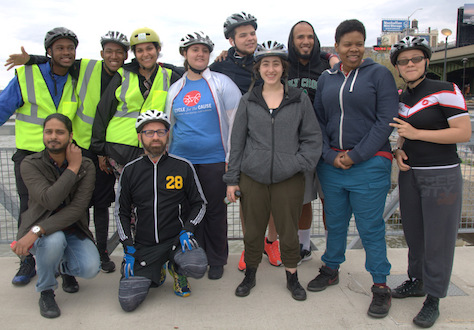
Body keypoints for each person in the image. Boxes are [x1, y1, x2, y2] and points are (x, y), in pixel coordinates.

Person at [6, 31, 131, 273]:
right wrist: (30, 59)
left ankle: (101, 252)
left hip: (103, 149)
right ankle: (37, 260)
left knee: (102, 203)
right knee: (67, 203)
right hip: (78, 148)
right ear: (101, 53)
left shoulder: (129, 74)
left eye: (119, 52)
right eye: (109, 51)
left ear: (126, 56)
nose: (113, 56)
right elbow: (59, 59)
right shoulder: (85, 67)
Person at [311, 19, 398, 318]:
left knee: (370, 227)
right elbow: (318, 121)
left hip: (370, 164)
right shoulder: (326, 79)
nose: (354, 49)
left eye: (359, 43)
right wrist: (327, 154)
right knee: (334, 223)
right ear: (336, 46)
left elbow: (385, 120)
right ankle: (331, 267)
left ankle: (380, 285)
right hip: (332, 165)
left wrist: (357, 155)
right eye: (347, 44)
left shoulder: (380, 75)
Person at [223, 41, 321, 301]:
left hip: (289, 177)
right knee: (253, 230)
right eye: (265, 63)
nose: (271, 68)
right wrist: (232, 179)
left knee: (288, 230)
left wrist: (297, 164)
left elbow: (312, 138)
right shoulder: (248, 100)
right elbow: (238, 143)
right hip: (252, 176)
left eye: (276, 63)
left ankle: (292, 276)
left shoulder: (298, 99)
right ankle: (251, 274)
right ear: (258, 68)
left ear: (283, 67)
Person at [389, 36, 471, 328]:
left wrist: (416, 134)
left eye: (415, 59)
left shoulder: (446, 89)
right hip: (411, 174)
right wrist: (399, 149)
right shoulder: (403, 96)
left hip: (441, 175)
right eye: (403, 60)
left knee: (439, 238)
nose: (409, 64)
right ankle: (417, 281)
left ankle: (434, 298)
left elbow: (462, 133)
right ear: (397, 65)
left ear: (426, 61)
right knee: (415, 233)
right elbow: (403, 131)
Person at [0, 27, 80, 286]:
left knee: (69, 210)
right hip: (31, 158)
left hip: (64, 156)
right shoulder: (25, 76)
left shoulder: (77, 77)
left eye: (70, 48)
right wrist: (33, 60)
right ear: (49, 52)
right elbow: (2, 107)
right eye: (60, 48)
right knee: (28, 210)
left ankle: (67, 266)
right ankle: (28, 260)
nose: (66, 52)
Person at [165, 32, 241, 280]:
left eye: (205, 50)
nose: (200, 54)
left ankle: (217, 258)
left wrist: (232, 162)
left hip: (214, 160)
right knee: (188, 211)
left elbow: (236, 124)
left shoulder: (222, 83)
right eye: (194, 50)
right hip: (181, 162)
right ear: (184, 54)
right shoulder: (175, 89)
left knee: (215, 211)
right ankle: (194, 257)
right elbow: (170, 125)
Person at [210, 12, 283, 270]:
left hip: (270, 137)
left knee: (274, 195)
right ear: (231, 40)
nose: (250, 38)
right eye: (243, 35)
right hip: (240, 140)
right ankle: (251, 245)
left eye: (252, 33)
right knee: (246, 198)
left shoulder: (266, 59)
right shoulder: (219, 66)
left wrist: (328, 56)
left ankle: (271, 242)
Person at [116, 110, 207, 311]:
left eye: (160, 131)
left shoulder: (183, 166)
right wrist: (127, 246)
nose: (155, 137)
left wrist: (189, 229)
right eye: (149, 132)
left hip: (176, 240)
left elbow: (200, 203)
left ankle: (177, 269)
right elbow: (121, 212)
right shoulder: (130, 171)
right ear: (140, 137)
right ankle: (156, 271)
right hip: (144, 244)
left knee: (198, 265)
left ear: (168, 135)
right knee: (128, 302)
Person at [11, 113, 100, 319]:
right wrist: (72, 167)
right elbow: (49, 200)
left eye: (59, 132)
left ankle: (63, 269)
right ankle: (46, 291)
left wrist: (77, 165)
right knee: (54, 240)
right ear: (43, 135)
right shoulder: (30, 163)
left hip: (71, 228)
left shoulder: (86, 165)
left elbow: (77, 209)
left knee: (90, 268)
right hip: (39, 231)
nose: (53, 136)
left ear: (70, 136)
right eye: (48, 131)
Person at [91, 27, 182, 170]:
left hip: (154, 147)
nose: (145, 54)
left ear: (158, 50)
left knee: (149, 191)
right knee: (125, 191)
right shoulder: (122, 74)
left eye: (149, 49)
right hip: (118, 147)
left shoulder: (170, 76)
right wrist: (99, 150)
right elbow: (103, 110)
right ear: (134, 54)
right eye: (139, 50)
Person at [287, 21, 338, 262]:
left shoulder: (327, 67)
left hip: (327, 143)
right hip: (298, 146)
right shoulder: (284, 66)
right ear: (292, 40)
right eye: (300, 37)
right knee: (303, 199)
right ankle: (303, 246)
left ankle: (332, 249)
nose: (305, 41)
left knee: (330, 200)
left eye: (309, 36)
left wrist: (332, 56)